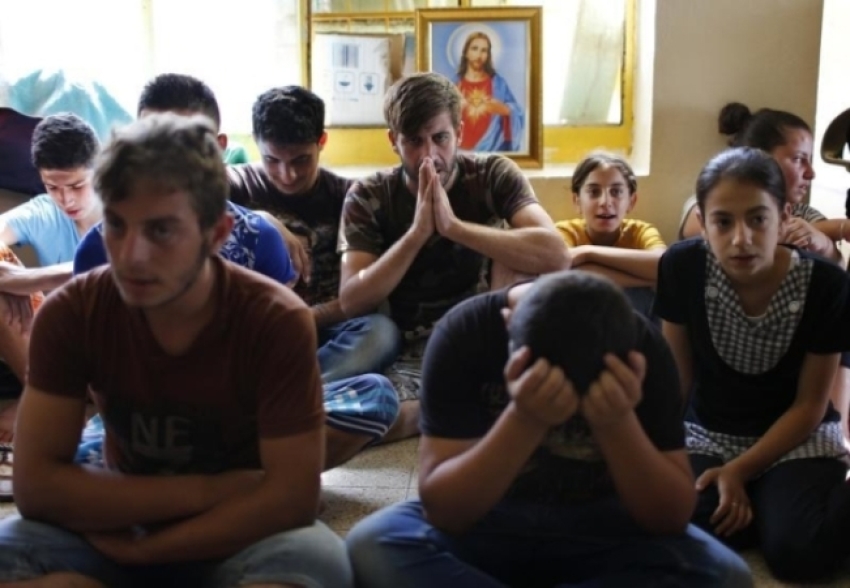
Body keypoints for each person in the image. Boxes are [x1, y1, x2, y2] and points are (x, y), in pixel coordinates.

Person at [0, 113, 353, 587]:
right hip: (131, 515)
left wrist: (149, 551)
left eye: (161, 231)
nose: (132, 255)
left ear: (217, 233)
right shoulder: (73, 312)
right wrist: (209, 489)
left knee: (317, 562)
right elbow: (37, 487)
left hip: (237, 530)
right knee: (11, 548)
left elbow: (290, 499)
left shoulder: (275, 319)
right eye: (117, 227)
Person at [346, 270, 753, 588]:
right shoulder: (466, 332)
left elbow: (670, 517)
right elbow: (445, 510)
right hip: (490, 521)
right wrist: (524, 419)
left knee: (727, 574)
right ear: (508, 327)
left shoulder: (639, 346)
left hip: (605, 526)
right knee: (373, 544)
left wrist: (617, 423)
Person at [74, 74, 398, 470]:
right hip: (148, 424)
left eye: (185, 145)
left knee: (376, 392)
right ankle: (233, 469)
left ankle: (224, 462)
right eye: (150, 143)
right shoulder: (91, 264)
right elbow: (92, 387)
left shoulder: (257, 235)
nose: (166, 163)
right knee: (78, 458)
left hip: (250, 395)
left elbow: (276, 345)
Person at [338, 72, 570, 440]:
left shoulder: (493, 174)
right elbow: (351, 300)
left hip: (488, 333)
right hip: (413, 346)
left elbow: (557, 254)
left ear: (459, 133)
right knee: (382, 419)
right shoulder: (369, 194)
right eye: (413, 141)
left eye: (440, 138)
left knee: (516, 252)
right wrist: (417, 235)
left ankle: (479, 395)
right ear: (393, 142)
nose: (429, 154)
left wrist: (454, 228)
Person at [656, 147, 850, 583]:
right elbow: (677, 380)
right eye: (723, 221)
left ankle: (776, 502)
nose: (741, 238)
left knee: (798, 553)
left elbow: (810, 406)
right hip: (709, 435)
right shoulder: (682, 267)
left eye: (757, 219)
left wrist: (738, 472)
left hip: (797, 439)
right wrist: (656, 455)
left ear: (784, 217)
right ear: (702, 223)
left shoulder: (826, 285)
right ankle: (769, 505)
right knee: (678, 526)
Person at [228, 85, 401, 385]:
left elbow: (364, 297)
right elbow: (179, 197)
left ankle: (292, 393)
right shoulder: (237, 184)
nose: (287, 175)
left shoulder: (350, 197)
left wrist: (308, 317)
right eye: (272, 160)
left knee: (382, 332)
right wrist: (260, 218)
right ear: (256, 144)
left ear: (322, 141)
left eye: (300, 160)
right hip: (253, 330)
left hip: (326, 329)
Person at [0, 113, 102, 442]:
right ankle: (42, 397)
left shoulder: (129, 211)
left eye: (76, 186)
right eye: (52, 187)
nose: (66, 199)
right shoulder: (44, 211)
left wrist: (28, 279)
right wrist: (14, 278)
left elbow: (122, 270)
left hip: (121, 353)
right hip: (58, 354)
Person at [678, 102, 838, 261]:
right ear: (761, 157)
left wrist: (825, 244)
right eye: (798, 159)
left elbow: (837, 266)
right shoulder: (709, 203)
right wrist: (839, 227)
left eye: (809, 160)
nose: (810, 173)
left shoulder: (804, 214)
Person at [555, 151, 665, 318]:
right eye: (594, 192)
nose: (605, 203)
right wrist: (647, 280)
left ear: (631, 201)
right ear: (577, 201)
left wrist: (587, 254)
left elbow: (664, 265)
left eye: (616, 192)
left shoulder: (641, 231)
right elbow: (564, 272)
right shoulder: (565, 232)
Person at [454, 31, 523, 153]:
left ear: (488, 55)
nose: (479, 55)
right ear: (466, 52)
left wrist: (504, 109)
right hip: (460, 152)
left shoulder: (499, 84)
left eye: (484, 50)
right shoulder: (454, 85)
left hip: (492, 149)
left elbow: (518, 112)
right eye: (474, 49)